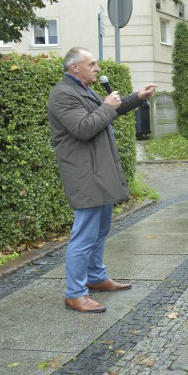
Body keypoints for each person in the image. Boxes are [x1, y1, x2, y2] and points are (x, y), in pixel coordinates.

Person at [48, 47, 157, 313]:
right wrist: (107, 107)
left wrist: (137, 98)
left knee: (100, 231)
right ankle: (75, 293)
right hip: (85, 175)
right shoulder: (63, 94)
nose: (97, 68)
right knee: (84, 236)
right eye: (92, 64)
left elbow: (111, 111)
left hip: (99, 172)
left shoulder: (84, 90)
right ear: (75, 68)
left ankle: (96, 278)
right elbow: (84, 128)